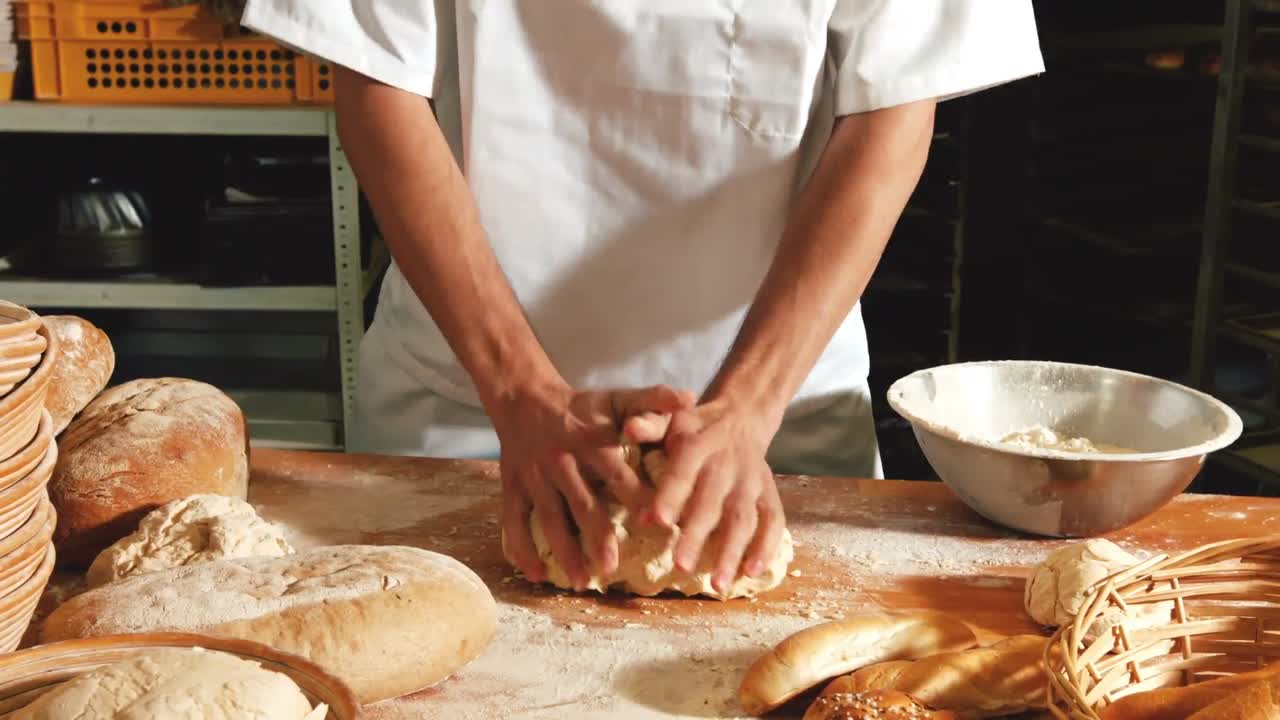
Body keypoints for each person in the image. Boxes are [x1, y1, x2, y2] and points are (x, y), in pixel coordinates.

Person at [242, 0, 1044, 596]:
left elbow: (890, 117)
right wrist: (518, 391)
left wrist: (746, 408)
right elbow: (377, 84)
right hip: (465, 406)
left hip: (778, 416)